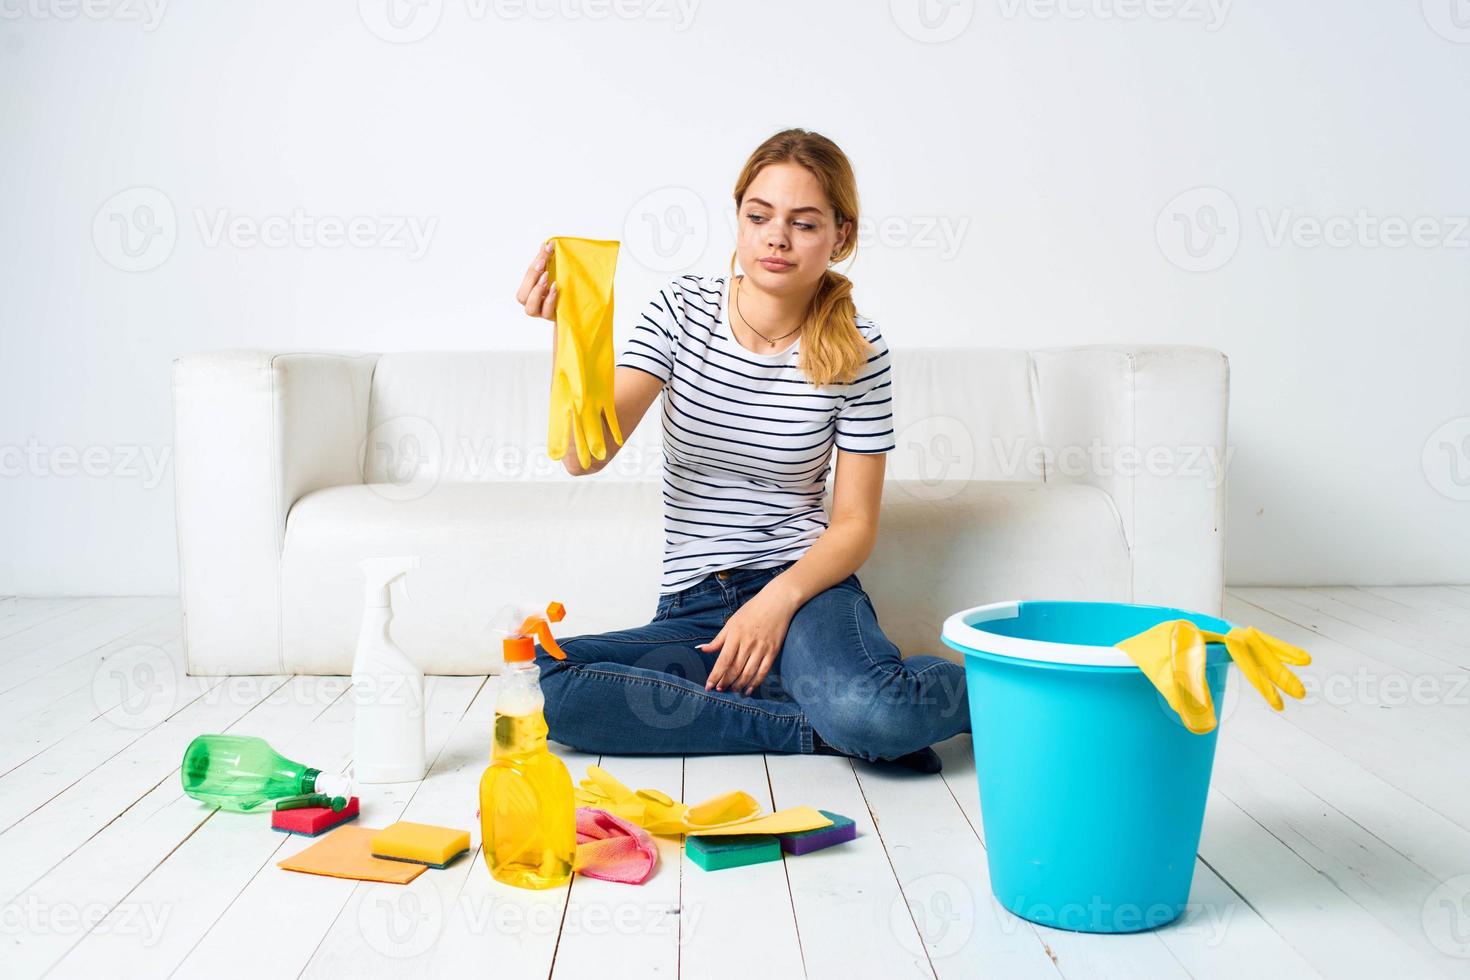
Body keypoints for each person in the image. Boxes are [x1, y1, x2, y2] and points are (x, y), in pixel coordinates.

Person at [514, 128, 969, 773]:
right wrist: (570, 338)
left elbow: (855, 526)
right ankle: (824, 725)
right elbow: (583, 456)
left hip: (808, 594)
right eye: (759, 217)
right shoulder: (680, 313)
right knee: (546, 687)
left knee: (878, 713)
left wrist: (772, 605)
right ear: (739, 220)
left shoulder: (860, 353)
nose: (776, 238)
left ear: (840, 235)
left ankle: (964, 693)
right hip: (695, 605)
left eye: (803, 223)